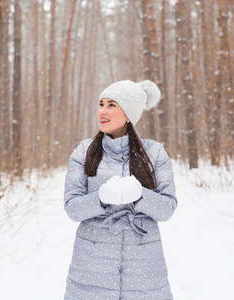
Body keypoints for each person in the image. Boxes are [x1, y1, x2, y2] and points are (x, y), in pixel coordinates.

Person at [63, 79, 177, 300]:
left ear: (129, 113)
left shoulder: (154, 153)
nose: (102, 111)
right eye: (101, 103)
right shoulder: (84, 151)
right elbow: (72, 208)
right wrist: (101, 198)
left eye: (111, 105)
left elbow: (167, 208)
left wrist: (141, 196)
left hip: (144, 271)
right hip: (92, 268)